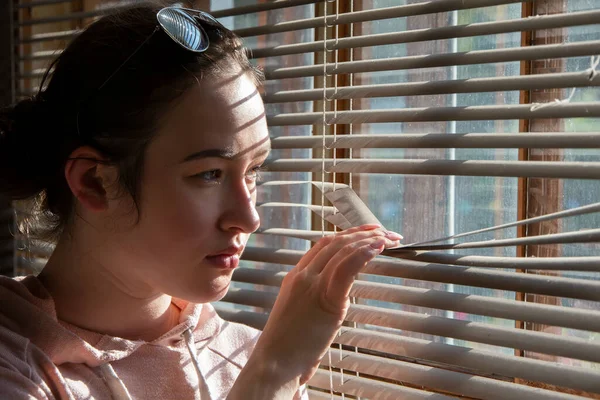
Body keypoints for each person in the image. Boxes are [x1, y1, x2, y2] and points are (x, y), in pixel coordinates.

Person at [0, 3, 402, 399]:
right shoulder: (18, 371)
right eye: (209, 174)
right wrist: (273, 373)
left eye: (253, 171)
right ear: (95, 183)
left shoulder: (240, 354)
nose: (249, 218)